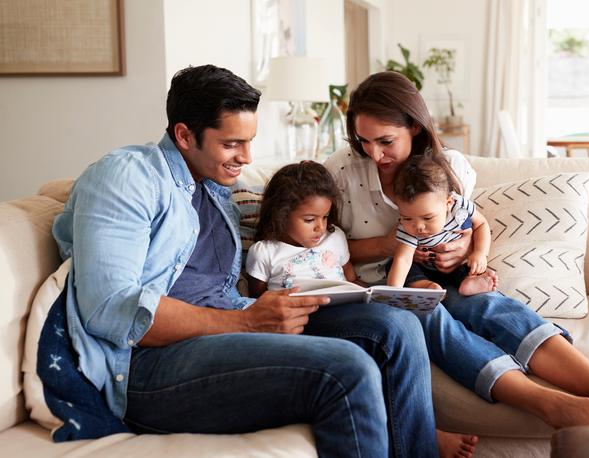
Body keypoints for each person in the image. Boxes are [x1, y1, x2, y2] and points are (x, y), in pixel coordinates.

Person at [49, 64, 475, 457]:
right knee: (348, 370)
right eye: (232, 143)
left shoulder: (215, 192)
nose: (247, 158)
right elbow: (111, 310)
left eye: (249, 142)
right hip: (149, 365)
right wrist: (247, 322)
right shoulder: (127, 178)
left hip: (231, 327)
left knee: (395, 324)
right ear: (184, 135)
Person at [324, 71, 589, 428]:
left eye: (386, 141)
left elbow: (467, 224)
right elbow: (322, 249)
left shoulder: (448, 167)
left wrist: (463, 249)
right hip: (382, 285)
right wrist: (386, 245)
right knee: (426, 316)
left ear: (415, 128)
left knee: (487, 304)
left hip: (443, 273)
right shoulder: (343, 170)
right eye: (364, 141)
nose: (374, 154)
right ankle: (549, 404)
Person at [387, 153, 498, 296]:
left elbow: (481, 224)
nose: (418, 226)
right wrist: (392, 294)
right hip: (425, 270)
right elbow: (403, 259)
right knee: (394, 265)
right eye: (407, 218)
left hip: (457, 265)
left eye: (428, 217)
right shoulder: (408, 229)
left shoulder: (459, 207)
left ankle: (470, 282)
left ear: (448, 203)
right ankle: (425, 286)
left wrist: (480, 253)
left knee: (470, 265)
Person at [245, 161, 358, 295]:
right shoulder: (264, 252)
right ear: (281, 215)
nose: (321, 228)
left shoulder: (335, 236)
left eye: (325, 217)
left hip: (344, 309)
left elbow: (352, 281)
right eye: (309, 220)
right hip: (300, 314)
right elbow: (259, 302)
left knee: (382, 312)